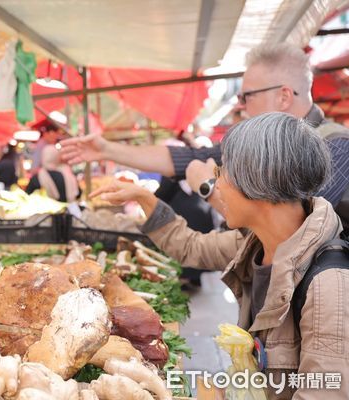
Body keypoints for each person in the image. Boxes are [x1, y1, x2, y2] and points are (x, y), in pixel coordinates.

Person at [92, 113, 348, 399]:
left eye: (223, 173)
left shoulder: (329, 287)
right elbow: (192, 247)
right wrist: (143, 197)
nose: (218, 186)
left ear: (258, 181)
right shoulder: (258, 242)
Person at [60, 43, 349, 230]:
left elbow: (294, 230)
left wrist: (209, 189)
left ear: (284, 96)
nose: (240, 105)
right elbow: (189, 159)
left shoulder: (337, 146)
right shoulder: (260, 146)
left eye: (246, 96)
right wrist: (106, 149)